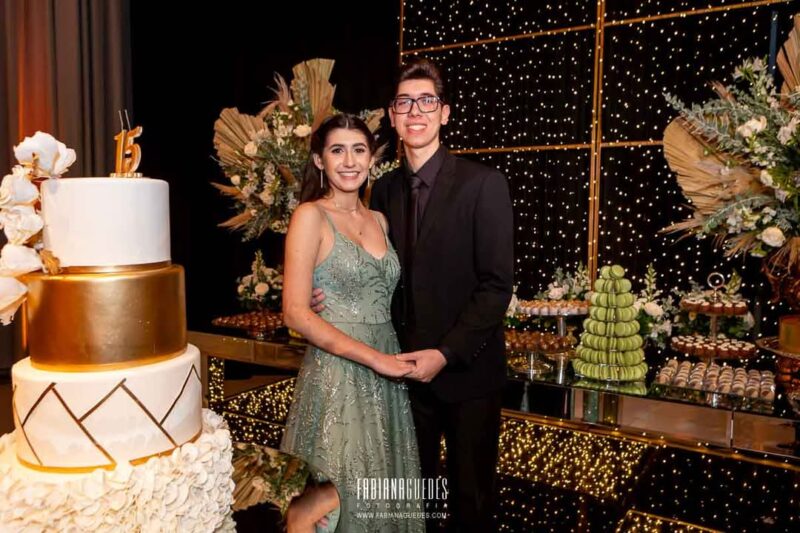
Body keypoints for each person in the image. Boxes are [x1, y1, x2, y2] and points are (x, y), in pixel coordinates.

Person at [315, 58, 514, 531]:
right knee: (408, 503)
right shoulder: (382, 190)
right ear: (392, 115)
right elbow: (374, 268)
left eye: (427, 101)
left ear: (444, 113)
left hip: (468, 376)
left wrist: (445, 354)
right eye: (405, 103)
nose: (415, 111)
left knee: (469, 504)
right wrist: (330, 296)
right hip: (400, 376)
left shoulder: (484, 184)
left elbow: (496, 286)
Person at [280, 113, 425, 533]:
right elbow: (295, 311)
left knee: (380, 492)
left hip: (388, 375)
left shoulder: (380, 220)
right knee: (337, 496)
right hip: (338, 376)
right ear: (320, 160)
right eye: (337, 150)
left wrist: (390, 360)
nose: (349, 161)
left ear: (372, 158)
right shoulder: (310, 216)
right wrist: (376, 360)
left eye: (359, 150)